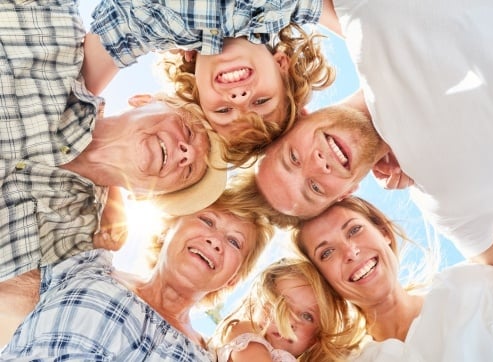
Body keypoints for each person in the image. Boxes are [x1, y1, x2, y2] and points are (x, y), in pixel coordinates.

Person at [0, 1, 227, 283]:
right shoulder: (53, 41)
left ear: (146, 196)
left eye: (190, 171)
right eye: (190, 131)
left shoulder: (73, 248)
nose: (186, 153)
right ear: (144, 100)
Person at [0, 177, 275, 358]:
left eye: (234, 242)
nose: (215, 241)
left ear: (232, 280)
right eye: (207, 221)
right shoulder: (87, 266)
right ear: (168, 229)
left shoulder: (209, 357)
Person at [255, 85, 493, 266]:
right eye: (315, 188)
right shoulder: (444, 200)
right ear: (346, 193)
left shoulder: (368, 29)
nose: (318, 166)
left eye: (293, 158)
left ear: (298, 117)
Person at [83, 1, 335, 166]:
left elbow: (71, 90)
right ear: (282, 65)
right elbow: (366, 33)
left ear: (198, 93)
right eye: (261, 101)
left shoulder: (146, 29)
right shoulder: (282, 7)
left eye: (224, 111)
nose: (239, 99)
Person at [292, 196, 493, 361]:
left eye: (354, 230)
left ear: (384, 232)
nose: (350, 252)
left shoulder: (472, 287)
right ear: (323, 279)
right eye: (327, 252)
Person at [212, 258, 365, 362]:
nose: (290, 321)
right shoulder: (245, 332)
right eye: (281, 304)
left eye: (307, 316)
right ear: (257, 304)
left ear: (314, 340)